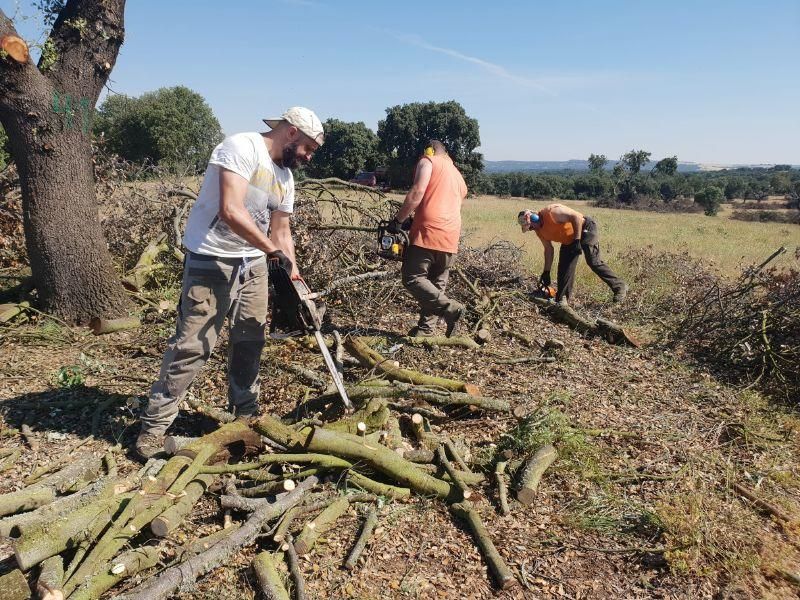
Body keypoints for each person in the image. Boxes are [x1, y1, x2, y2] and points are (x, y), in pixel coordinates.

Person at [135, 107, 324, 459]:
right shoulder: (241, 148)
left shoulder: (285, 178)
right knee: (194, 344)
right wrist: (271, 250)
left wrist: (295, 277)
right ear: (292, 133)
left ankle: (246, 417)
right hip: (211, 258)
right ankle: (153, 429)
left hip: (252, 264)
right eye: (309, 149)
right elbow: (231, 210)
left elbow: (281, 231)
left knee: (251, 338)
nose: (309, 157)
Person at [388, 140, 468, 337]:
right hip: (451, 237)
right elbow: (444, 203)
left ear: (430, 150)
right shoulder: (459, 177)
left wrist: (399, 221)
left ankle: (452, 309)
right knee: (436, 285)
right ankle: (426, 331)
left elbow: (418, 192)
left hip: (429, 232)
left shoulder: (428, 161)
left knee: (412, 277)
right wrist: (414, 219)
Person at [518, 203, 627, 305]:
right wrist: (546, 272)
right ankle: (563, 300)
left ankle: (619, 286)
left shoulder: (553, 212)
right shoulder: (539, 231)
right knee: (564, 271)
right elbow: (548, 249)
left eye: (531, 226)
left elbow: (576, 218)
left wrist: (577, 241)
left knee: (592, 261)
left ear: (534, 218)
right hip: (568, 240)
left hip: (585, 228)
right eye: (530, 228)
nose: (532, 229)